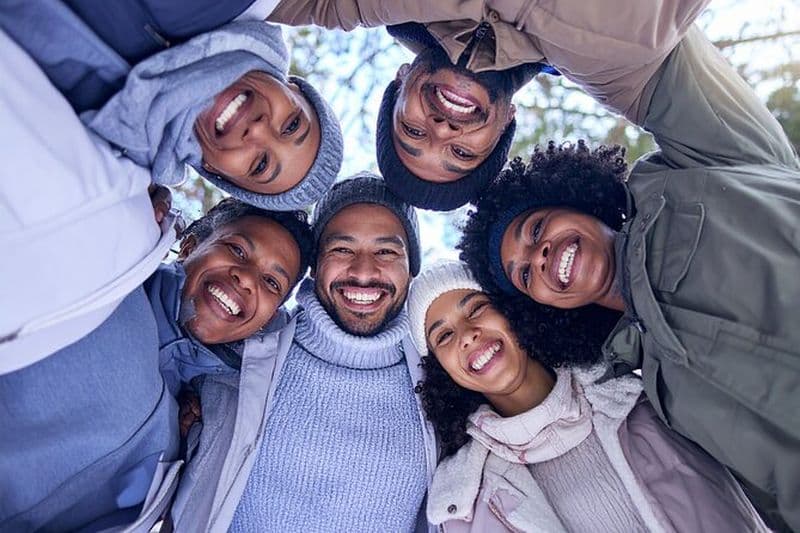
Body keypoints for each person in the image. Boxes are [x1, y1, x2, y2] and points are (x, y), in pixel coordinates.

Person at [458, 25, 800, 529]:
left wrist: (518, 31)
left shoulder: (701, 169)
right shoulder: (662, 395)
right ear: (549, 309)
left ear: (572, 199)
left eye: (535, 230)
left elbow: (652, 47)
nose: (543, 256)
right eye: (526, 276)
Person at [29, 0, 707, 210]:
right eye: (458, 149)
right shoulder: (622, 59)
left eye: (415, 134)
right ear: (506, 127)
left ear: (402, 87)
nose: (440, 127)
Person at [0, 197, 313, 532]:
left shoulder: (189, 427)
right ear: (189, 246)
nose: (247, 279)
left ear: (269, 318)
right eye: (237, 250)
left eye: (272, 283)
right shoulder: (105, 286)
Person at [405, 260, 768, 532]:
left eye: (476, 308)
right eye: (444, 337)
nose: (467, 334)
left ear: (512, 312)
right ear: (443, 371)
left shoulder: (646, 391)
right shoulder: (464, 504)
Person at [169, 173, 437, 531]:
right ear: (315, 265)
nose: (363, 271)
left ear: (412, 268)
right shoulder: (235, 349)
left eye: (386, 252)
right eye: (342, 249)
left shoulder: (445, 382)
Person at [0, 2, 343, 210]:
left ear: (214, 171)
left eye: (260, 164)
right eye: (292, 125)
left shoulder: (93, 148)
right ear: (292, 86)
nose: (257, 130)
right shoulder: (237, 4)